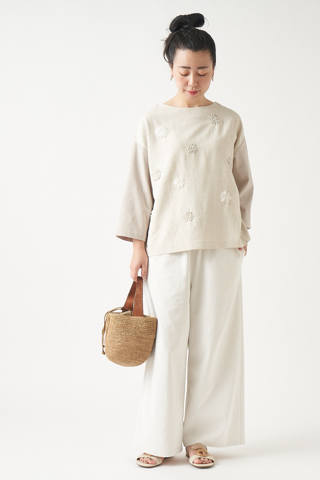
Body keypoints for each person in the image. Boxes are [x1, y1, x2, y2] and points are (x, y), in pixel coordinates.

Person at [115, 12, 254, 468]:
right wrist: (137, 246)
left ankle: (199, 439)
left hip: (221, 242)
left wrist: (242, 230)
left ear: (214, 69)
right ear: (170, 68)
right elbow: (138, 186)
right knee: (168, 341)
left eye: (203, 71)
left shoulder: (229, 121)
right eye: (184, 71)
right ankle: (158, 438)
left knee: (213, 342)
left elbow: (243, 182)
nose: (193, 81)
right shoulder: (153, 121)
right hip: (167, 243)